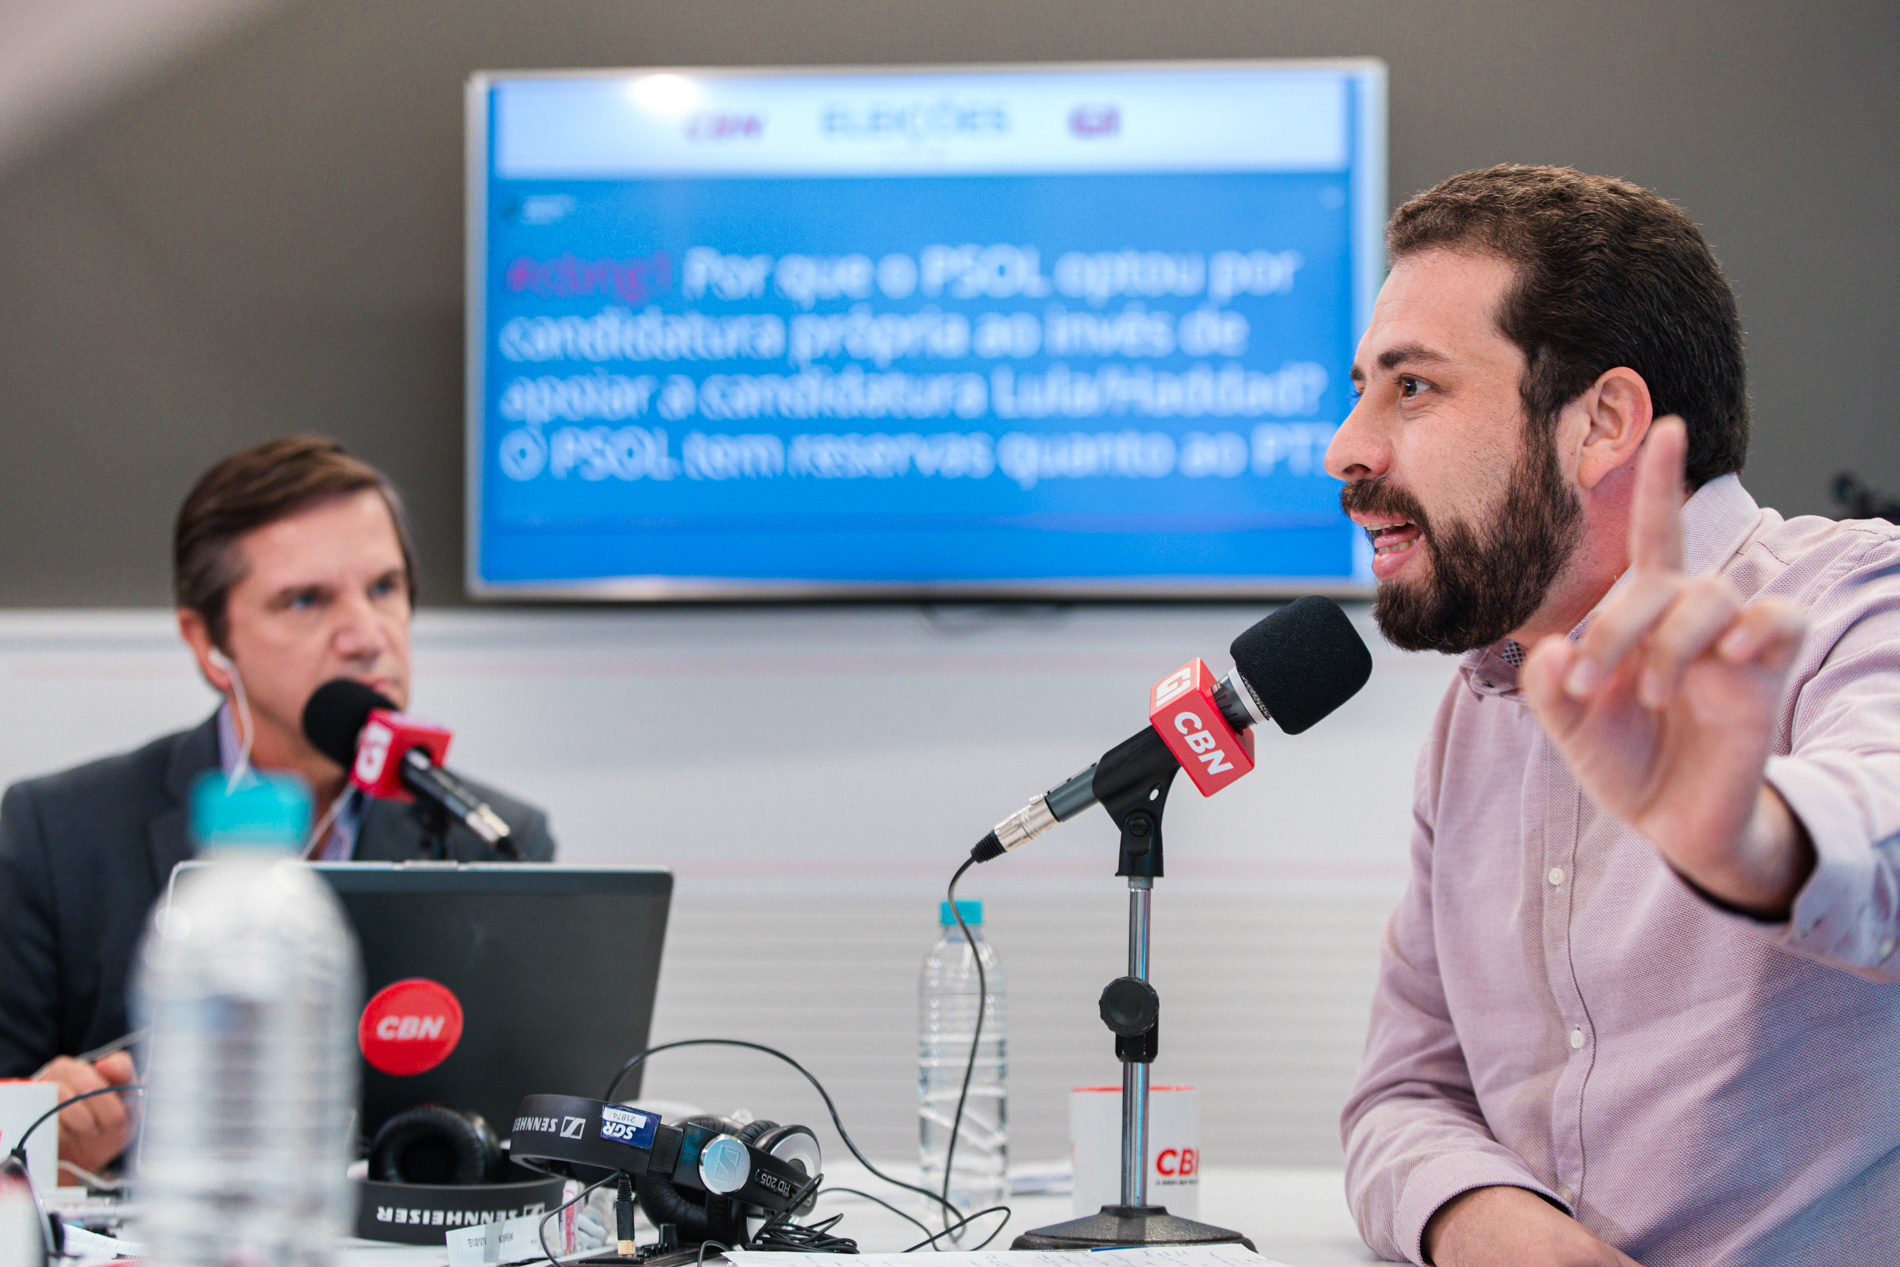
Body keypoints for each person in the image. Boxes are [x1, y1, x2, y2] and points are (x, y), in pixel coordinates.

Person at [1329, 166, 1900, 1266]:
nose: (1345, 447)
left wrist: (1747, 837)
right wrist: (1495, 1228)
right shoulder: (1481, 709)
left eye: (1410, 389)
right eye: (1359, 389)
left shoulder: (1858, 600)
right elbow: (1403, 1093)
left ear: (1600, 422)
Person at [0, 436, 556, 1177]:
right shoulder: (55, 833)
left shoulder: (497, 838)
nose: (367, 637)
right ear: (209, 643)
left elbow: (537, 1137)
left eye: (385, 588)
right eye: (307, 599)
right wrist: (51, 1137)